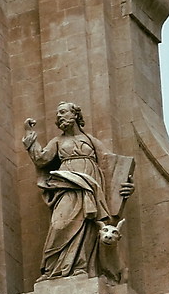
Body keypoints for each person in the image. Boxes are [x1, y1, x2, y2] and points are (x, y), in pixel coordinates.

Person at [23, 102, 131, 279]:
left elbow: (112, 164)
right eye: (58, 114)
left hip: (90, 187)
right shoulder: (57, 141)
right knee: (59, 225)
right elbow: (41, 159)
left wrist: (125, 186)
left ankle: (80, 266)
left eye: (63, 112)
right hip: (66, 185)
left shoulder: (90, 140)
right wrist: (29, 136)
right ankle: (53, 268)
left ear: (75, 115)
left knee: (86, 226)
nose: (59, 116)